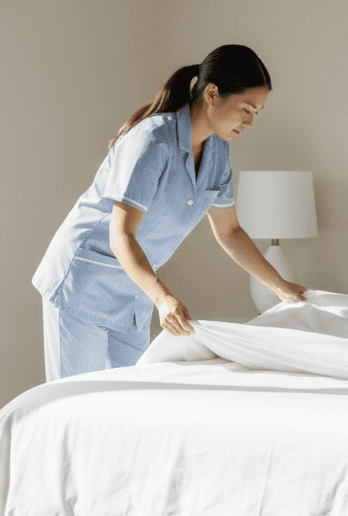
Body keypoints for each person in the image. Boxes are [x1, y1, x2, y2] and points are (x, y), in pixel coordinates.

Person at [32, 44, 306, 381]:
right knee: (76, 398)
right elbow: (121, 235)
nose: (250, 122)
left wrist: (280, 286)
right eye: (246, 109)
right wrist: (162, 298)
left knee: (131, 397)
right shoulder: (153, 141)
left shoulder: (218, 153)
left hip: (134, 290)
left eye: (256, 113)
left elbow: (230, 232)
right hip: (84, 280)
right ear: (212, 94)